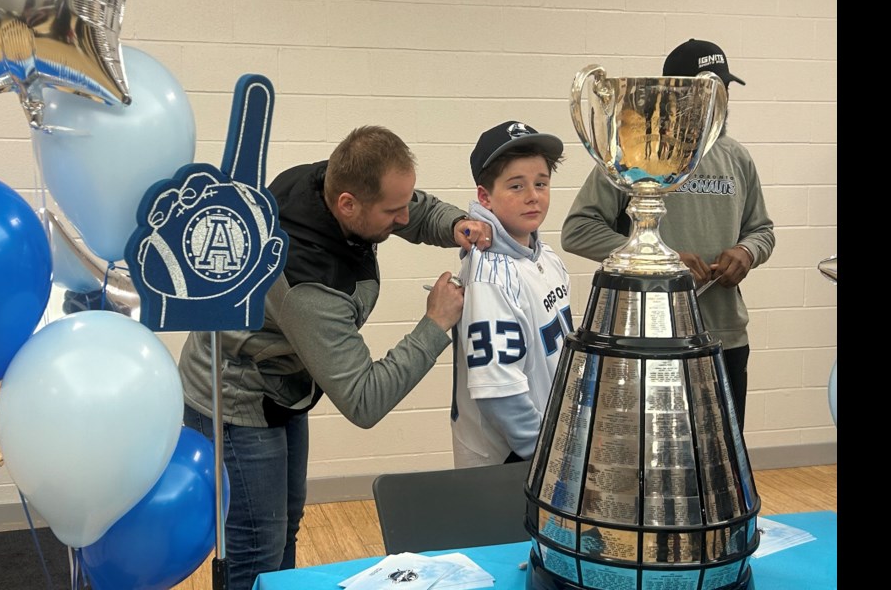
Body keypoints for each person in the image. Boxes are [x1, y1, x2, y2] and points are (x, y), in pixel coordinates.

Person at [177, 125, 494, 587]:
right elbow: (364, 400)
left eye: (405, 203)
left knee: (284, 528)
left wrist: (451, 224)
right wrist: (435, 324)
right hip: (236, 400)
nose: (405, 218)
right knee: (256, 550)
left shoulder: (322, 181)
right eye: (392, 211)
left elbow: (413, 205)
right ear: (347, 204)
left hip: (283, 384)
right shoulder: (308, 284)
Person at [561, 39, 775, 433]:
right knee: (653, 462)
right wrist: (659, 262)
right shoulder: (632, 152)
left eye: (724, 89)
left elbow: (762, 230)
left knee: (723, 461)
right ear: (678, 94)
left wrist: (748, 251)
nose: (721, 99)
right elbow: (577, 230)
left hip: (725, 335)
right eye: (709, 90)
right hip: (653, 336)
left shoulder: (737, 157)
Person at [450, 121, 572, 468]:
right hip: (515, 457)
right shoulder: (489, 275)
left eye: (541, 183)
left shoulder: (546, 257)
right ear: (485, 197)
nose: (533, 196)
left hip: (552, 440)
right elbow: (499, 393)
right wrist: (546, 455)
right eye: (516, 186)